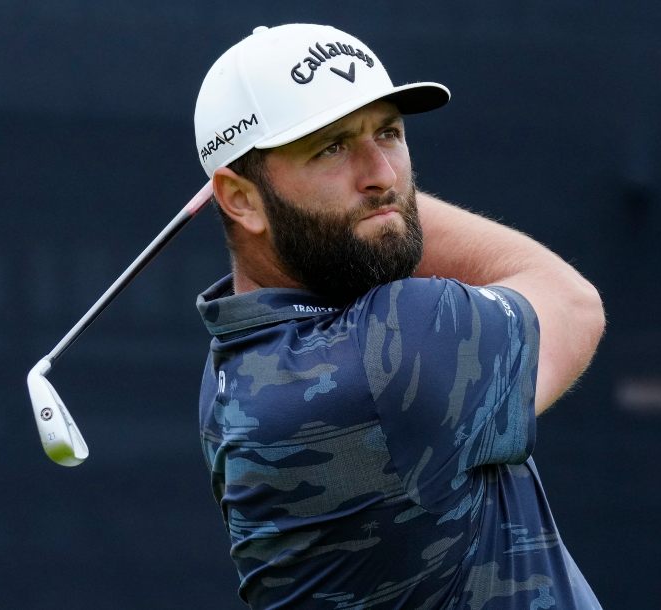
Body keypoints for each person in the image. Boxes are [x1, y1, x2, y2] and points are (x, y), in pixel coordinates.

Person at [193, 23, 605, 609]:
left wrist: (359, 205)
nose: (382, 174)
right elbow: (571, 301)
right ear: (238, 199)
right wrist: (387, 211)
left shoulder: (230, 370)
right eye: (330, 147)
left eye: (388, 133)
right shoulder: (395, 345)